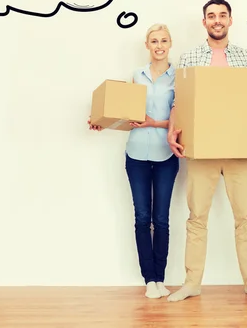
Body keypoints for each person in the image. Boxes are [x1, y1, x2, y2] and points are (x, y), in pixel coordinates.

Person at [165, 0, 247, 302]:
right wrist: (172, 131)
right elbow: (179, 102)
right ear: (204, 22)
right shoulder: (189, 58)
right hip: (202, 149)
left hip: (239, 148)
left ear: (230, 20)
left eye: (222, 15)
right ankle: (191, 283)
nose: (217, 20)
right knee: (196, 216)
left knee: (245, 217)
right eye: (211, 16)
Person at [88, 23, 179, 299]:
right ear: (147, 45)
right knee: (142, 217)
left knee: (161, 219)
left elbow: (181, 117)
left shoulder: (180, 78)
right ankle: (149, 279)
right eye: (154, 41)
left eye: (164, 40)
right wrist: (102, 122)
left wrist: (155, 123)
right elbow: (125, 112)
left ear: (170, 43)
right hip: (136, 155)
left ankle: (160, 278)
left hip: (166, 155)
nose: (159, 45)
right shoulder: (136, 76)